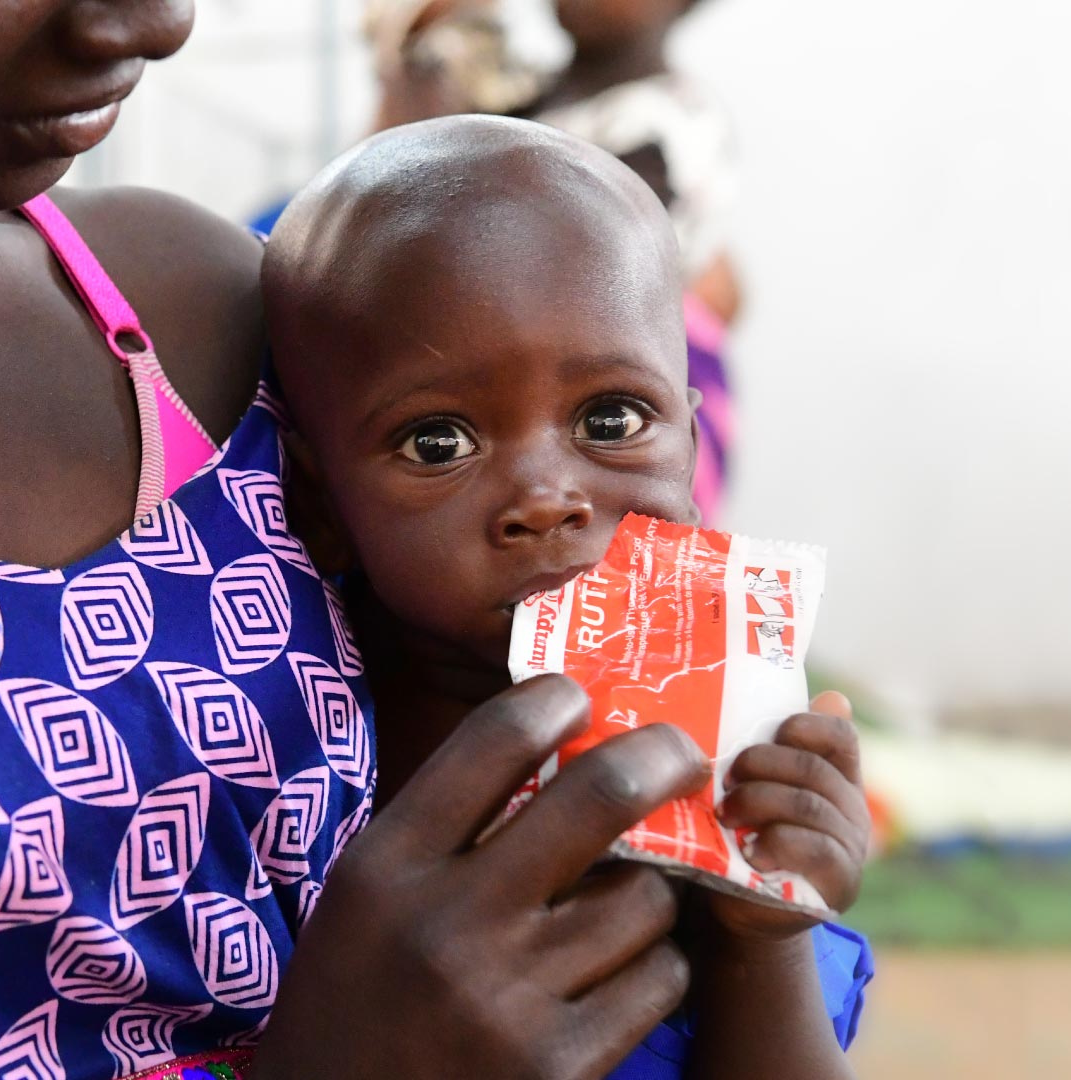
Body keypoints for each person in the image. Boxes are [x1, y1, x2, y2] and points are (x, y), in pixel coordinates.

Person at [0, 4, 721, 1078]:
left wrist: (752, 908)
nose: (157, 19)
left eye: (610, 422)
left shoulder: (199, 309)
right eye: (439, 443)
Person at [261, 114, 872, 1080]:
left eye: (613, 417)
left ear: (692, 437)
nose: (548, 498)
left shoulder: (721, 762)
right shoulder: (284, 786)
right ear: (316, 502)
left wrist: (765, 940)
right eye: (437, 443)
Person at [369, 0, 741, 524]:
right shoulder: (523, 91)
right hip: (521, 371)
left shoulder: (669, 120)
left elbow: (585, 266)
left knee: (618, 565)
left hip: (637, 379)